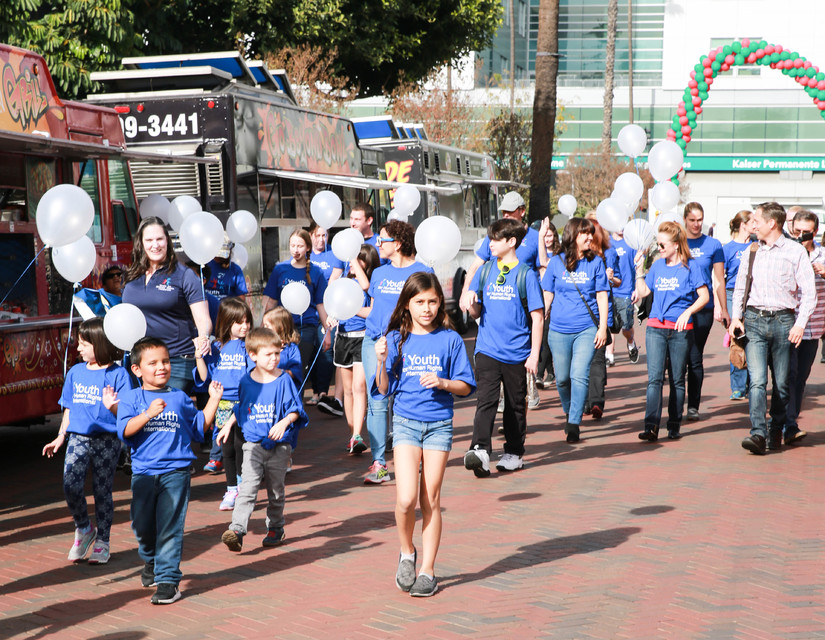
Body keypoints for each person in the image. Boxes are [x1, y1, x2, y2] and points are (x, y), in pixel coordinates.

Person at [373, 272, 475, 597]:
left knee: (431, 499)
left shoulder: (450, 339)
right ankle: (406, 552)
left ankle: (428, 571)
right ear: (407, 304)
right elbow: (383, 388)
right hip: (405, 422)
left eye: (432, 301)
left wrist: (443, 382)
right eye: (420, 302)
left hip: (439, 425)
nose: (427, 308)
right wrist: (380, 362)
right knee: (405, 499)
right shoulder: (395, 339)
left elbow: (464, 386)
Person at [115, 337, 223, 605]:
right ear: (137, 369)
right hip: (143, 472)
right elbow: (125, 431)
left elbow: (200, 427)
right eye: (153, 363)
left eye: (165, 361)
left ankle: (168, 581)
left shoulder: (180, 397)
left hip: (177, 471)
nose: (161, 367)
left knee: (170, 527)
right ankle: (151, 559)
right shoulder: (131, 398)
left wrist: (214, 400)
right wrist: (148, 414)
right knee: (142, 526)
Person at [41, 318, 132, 565]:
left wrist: (112, 406)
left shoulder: (119, 374)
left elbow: (126, 413)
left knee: (102, 491)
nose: (78, 348)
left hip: (107, 440)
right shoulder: (75, 372)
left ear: (99, 344)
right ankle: (84, 528)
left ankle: (103, 541)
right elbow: (68, 409)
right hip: (77, 438)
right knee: (70, 484)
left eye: (83, 344)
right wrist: (60, 436)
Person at [730, 202, 816, 456]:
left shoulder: (795, 251)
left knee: (781, 384)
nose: (752, 224)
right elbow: (739, 288)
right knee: (756, 381)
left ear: (772, 223)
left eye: (757, 220)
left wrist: (800, 324)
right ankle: (757, 433)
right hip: (754, 321)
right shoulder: (752, 251)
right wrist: (736, 318)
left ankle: (776, 428)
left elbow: (809, 292)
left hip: (784, 322)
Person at [463, 218, 543, 475]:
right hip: (486, 348)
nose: (490, 243)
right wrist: (470, 302)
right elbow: (476, 311)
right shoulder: (485, 270)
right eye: (490, 238)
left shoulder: (526, 274)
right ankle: (480, 451)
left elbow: (538, 318)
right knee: (485, 401)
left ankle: (514, 452)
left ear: (511, 242)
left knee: (514, 405)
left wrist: (534, 355)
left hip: (517, 352)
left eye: (496, 239)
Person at [216, 327, 308, 551]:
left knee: (275, 491)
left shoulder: (284, 380)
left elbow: (296, 411)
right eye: (268, 354)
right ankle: (236, 530)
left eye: (277, 353)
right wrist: (228, 425)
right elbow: (241, 408)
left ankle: (276, 527)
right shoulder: (246, 382)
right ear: (253, 355)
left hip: (278, 446)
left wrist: (284, 422)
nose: (274, 358)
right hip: (253, 445)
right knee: (247, 488)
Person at [362, 220, 434, 484]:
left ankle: (414, 454)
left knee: (409, 396)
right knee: (377, 400)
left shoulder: (422, 271)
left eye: (382, 240)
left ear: (399, 243)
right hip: (375, 342)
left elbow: (430, 311)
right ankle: (379, 463)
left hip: (409, 342)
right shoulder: (379, 274)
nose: (377, 244)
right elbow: (374, 309)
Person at [633, 222, 709, 441]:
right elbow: (644, 291)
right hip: (656, 328)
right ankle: (651, 426)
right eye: (657, 244)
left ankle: (674, 423)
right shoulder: (657, 266)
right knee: (654, 379)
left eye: (662, 244)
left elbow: (704, 296)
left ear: (676, 245)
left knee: (677, 378)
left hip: (680, 329)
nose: (659, 247)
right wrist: (639, 270)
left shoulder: (691, 267)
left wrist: (688, 312)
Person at [122, 216, 212, 392]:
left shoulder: (185, 275)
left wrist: (204, 337)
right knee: (143, 416)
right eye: (149, 240)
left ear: (167, 241)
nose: (155, 245)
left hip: (175, 361)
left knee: (167, 416)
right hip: (139, 361)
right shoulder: (131, 275)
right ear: (141, 243)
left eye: (159, 239)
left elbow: (203, 320)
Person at [541, 217, 608, 443]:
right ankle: (570, 411)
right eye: (584, 233)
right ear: (572, 236)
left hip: (586, 328)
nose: (590, 237)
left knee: (578, 374)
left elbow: (601, 295)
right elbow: (548, 292)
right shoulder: (556, 262)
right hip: (558, 330)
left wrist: (603, 327)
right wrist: (543, 312)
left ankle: (574, 422)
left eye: (591, 233)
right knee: (561, 379)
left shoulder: (596, 262)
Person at [193, 298, 255, 511]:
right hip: (221, 403)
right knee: (226, 447)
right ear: (227, 322)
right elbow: (204, 378)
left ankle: (243, 486)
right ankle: (231, 488)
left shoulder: (249, 346)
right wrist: (199, 357)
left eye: (247, 321)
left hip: (243, 404)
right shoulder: (216, 347)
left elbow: (254, 374)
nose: (245, 326)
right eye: (239, 322)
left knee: (242, 446)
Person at [774, 210, 825, 446]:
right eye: (797, 232)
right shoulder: (785, 253)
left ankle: (788, 422)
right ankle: (787, 424)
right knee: (786, 376)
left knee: (800, 378)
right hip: (788, 325)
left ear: (815, 232)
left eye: (806, 232)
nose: (801, 236)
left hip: (813, 328)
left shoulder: (822, 256)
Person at [261, 228, 330, 405]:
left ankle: (294, 410)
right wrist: (263, 327)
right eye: (293, 245)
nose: (296, 250)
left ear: (308, 247)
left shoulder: (315, 272)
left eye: (300, 246)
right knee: (277, 367)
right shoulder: (280, 269)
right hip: (279, 328)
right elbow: (271, 301)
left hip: (306, 328)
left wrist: (327, 331)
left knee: (295, 369)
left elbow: (321, 304)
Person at [682, 202, 727, 421]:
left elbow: (719, 280)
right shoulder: (677, 241)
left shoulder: (713, 245)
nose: (696, 224)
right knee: (676, 358)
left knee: (694, 356)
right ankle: (675, 403)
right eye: (692, 220)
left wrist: (723, 308)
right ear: (684, 220)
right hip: (677, 308)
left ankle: (693, 406)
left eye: (700, 219)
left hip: (703, 309)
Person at [334, 243, 380, 454]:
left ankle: (358, 434)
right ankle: (353, 434)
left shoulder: (369, 285)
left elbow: (370, 306)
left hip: (362, 339)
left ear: (366, 262)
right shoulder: (344, 282)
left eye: (358, 259)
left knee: (360, 387)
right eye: (351, 259)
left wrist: (352, 258)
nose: (351, 262)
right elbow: (333, 306)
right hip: (342, 339)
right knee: (349, 390)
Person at [584, 219, 620, 420]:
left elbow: (619, 280)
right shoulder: (574, 259)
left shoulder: (607, 255)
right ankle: (586, 401)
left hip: (598, 313)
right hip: (579, 318)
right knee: (584, 362)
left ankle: (596, 401)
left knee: (597, 359)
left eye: (590, 233)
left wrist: (611, 277)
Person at [722, 210, 756, 400]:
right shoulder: (728, 249)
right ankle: (737, 386)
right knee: (736, 339)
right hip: (731, 293)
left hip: (752, 295)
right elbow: (720, 277)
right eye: (752, 221)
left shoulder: (756, 246)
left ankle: (753, 383)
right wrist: (722, 307)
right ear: (743, 224)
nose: (755, 225)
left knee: (752, 340)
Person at [608, 229, 640, 365]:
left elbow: (638, 266)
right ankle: (609, 355)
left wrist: (637, 289)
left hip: (626, 291)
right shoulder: (607, 242)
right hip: (609, 291)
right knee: (609, 324)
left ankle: (631, 342)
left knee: (626, 326)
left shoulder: (630, 243)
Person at [536, 221, 561, 388]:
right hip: (539, 297)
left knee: (546, 336)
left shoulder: (559, 254)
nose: (547, 239)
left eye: (550, 235)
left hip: (554, 300)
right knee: (542, 337)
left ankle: (539, 373)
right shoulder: (537, 252)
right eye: (544, 236)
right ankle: (550, 371)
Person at [261, 307, 304, 388]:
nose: (264, 329)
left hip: (284, 389)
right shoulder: (263, 346)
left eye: (267, 326)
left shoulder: (291, 349)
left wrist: (277, 372)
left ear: (280, 327)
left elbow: (295, 372)